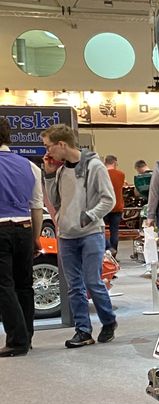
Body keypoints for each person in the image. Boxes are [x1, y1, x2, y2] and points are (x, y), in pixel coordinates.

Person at [41, 124, 118, 348]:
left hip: (90, 233)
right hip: (66, 235)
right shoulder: (62, 170)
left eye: (48, 147)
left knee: (93, 281)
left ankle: (108, 321)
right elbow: (56, 202)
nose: (47, 152)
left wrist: (88, 216)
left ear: (62, 144)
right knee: (74, 286)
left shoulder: (95, 166)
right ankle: (83, 331)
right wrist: (48, 175)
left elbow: (108, 199)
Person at [0, 117, 43, 358]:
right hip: (25, 227)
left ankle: (17, 340)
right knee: (24, 284)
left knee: (3, 285)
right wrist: (36, 237)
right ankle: (27, 334)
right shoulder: (29, 166)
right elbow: (36, 205)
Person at [103, 154, 126, 255]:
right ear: (115, 162)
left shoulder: (102, 174)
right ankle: (114, 255)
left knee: (100, 230)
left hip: (104, 207)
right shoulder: (121, 174)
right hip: (117, 206)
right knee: (114, 231)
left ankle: (106, 251)